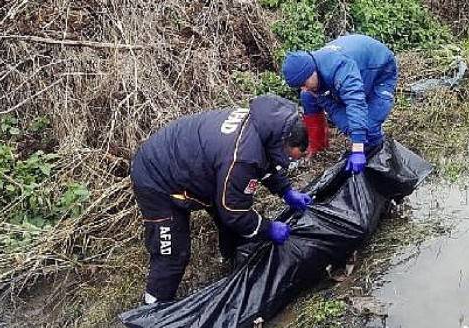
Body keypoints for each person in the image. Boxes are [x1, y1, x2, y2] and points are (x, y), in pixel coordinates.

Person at [130, 94, 312, 304]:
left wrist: (286, 191)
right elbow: (234, 212)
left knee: (231, 215)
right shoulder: (241, 157)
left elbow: (266, 163)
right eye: (291, 156)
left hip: (197, 167)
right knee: (172, 255)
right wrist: (268, 229)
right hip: (156, 178)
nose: (290, 161)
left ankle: (233, 260)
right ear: (283, 143)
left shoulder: (264, 128)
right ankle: (152, 310)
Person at [281, 34, 398, 173]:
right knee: (307, 97)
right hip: (352, 75)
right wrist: (347, 126)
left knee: (369, 126)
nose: (304, 88)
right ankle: (318, 146)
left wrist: (358, 148)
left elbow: (356, 103)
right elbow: (333, 108)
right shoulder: (312, 72)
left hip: (380, 73)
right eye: (300, 86)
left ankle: (376, 162)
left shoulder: (339, 69)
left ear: (312, 72)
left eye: (304, 83)